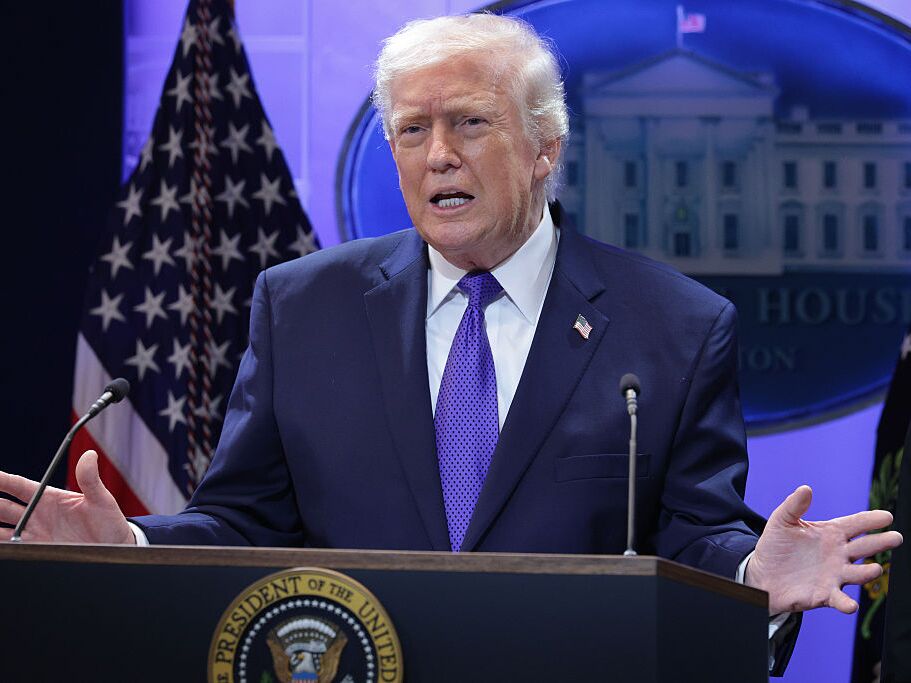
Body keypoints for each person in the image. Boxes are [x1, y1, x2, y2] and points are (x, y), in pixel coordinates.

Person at [0, 13, 901, 672]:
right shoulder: (302, 305)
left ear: (543, 146)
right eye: (411, 129)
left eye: (469, 122)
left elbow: (691, 536)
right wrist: (133, 555)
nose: (438, 154)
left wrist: (751, 570)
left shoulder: (675, 325)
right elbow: (244, 522)